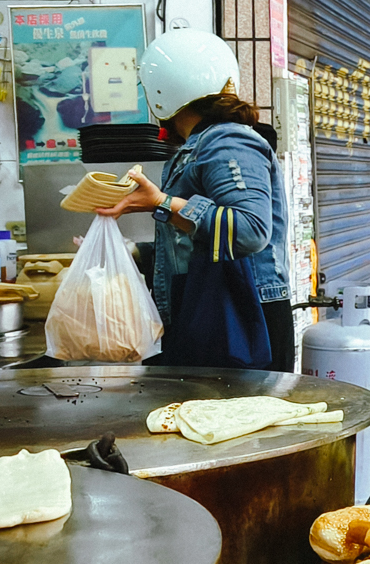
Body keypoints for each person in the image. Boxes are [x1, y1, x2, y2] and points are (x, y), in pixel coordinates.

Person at [99, 30, 293, 372]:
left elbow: (249, 230)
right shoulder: (196, 147)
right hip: (213, 313)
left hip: (244, 320)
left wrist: (161, 203)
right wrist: (130, 252)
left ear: (161, 93)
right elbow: (195, 245)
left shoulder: (227, 141)